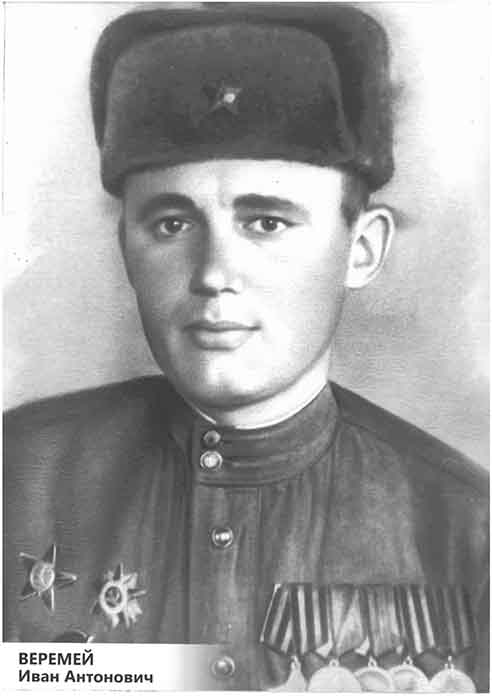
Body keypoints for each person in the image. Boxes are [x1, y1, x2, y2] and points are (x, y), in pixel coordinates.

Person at [3, 3, 488, 691]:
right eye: (171, 223)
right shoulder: (17, 478)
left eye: (266, 222)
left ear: (362, 248)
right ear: (125, 246)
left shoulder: (466, 528)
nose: (213, 274)